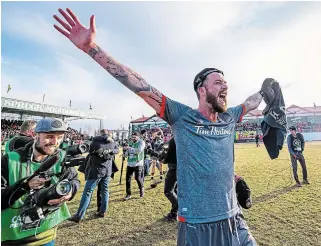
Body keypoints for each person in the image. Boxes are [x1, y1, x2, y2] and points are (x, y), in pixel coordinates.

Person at [53, 9, 264, 245]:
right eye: (218, 82)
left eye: (226, 82)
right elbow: (139, 84)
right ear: (202, 90)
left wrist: (266, 89)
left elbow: (250, 103)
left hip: (234, 218)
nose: (225, 86)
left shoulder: (230, 117)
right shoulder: (182, 116)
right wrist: (92, 48)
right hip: (197, 225)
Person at [1, 118, 80, 246]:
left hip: (46, 234)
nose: (55, 142)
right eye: (49, 137)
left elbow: (74, 180)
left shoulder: (60, 157)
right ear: (34, 135)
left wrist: (70, 190)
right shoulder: (9, 160)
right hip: (14, 238)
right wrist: (25, 185)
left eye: (59, 137)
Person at [69, 129, 119, 223]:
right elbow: (117, 150)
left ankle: (79, 216)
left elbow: (89, 150)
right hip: (107, 171)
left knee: (87, 192)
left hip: (96, 171)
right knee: (105, 191)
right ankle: (103, 211)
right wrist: (109, 150)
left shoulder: (95, 141)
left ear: (100, 134)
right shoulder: (112, 142)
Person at [123, 132, 145, 200]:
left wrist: (129, 148)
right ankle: (128, 194)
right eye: (132, 137)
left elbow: (138, 151)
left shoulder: (141, 142)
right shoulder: (130, 142)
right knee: (128, 179)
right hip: (130, 163)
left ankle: (141, 189)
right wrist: (125, 154)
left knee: (137, 178)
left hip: (138, 163)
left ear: (138, 137)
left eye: (134, 137)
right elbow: (128, 151)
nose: (133, 139)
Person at [162, 137, 178, 221]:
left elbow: (167, 158)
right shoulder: (186, 136)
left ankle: (179, 207)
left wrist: (163, 157)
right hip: (184, 168)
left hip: (174, 168)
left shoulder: (174, 139)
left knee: (168, 191)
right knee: (175, 191)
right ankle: (174, 213)